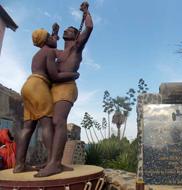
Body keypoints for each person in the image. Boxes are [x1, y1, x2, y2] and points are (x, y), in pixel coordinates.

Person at [35, 1, 93, 177]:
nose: (67, 30)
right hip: (52, 88)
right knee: (47, 125)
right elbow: (49, 50)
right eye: (65, 30)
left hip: (66, 88)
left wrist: (86, 12)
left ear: (76, 37)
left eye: (71, 30)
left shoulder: (76, 48)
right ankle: (55, 160)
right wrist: (54, 33)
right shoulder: (58, 53)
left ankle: (54, 164)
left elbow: (89, 28)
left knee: (58, 121)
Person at [13, 26, 79, 173]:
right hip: (39, 86)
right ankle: (53, 163)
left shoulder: (37, 54)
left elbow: (53, 44)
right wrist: (73, 75)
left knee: (28, 127)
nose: (55, 38)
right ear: (45, 40)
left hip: (27, 86)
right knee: (47, 124)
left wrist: (54, 33)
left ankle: (19, 165)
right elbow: (54, 76)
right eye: (51, 36)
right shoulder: (49, 52)